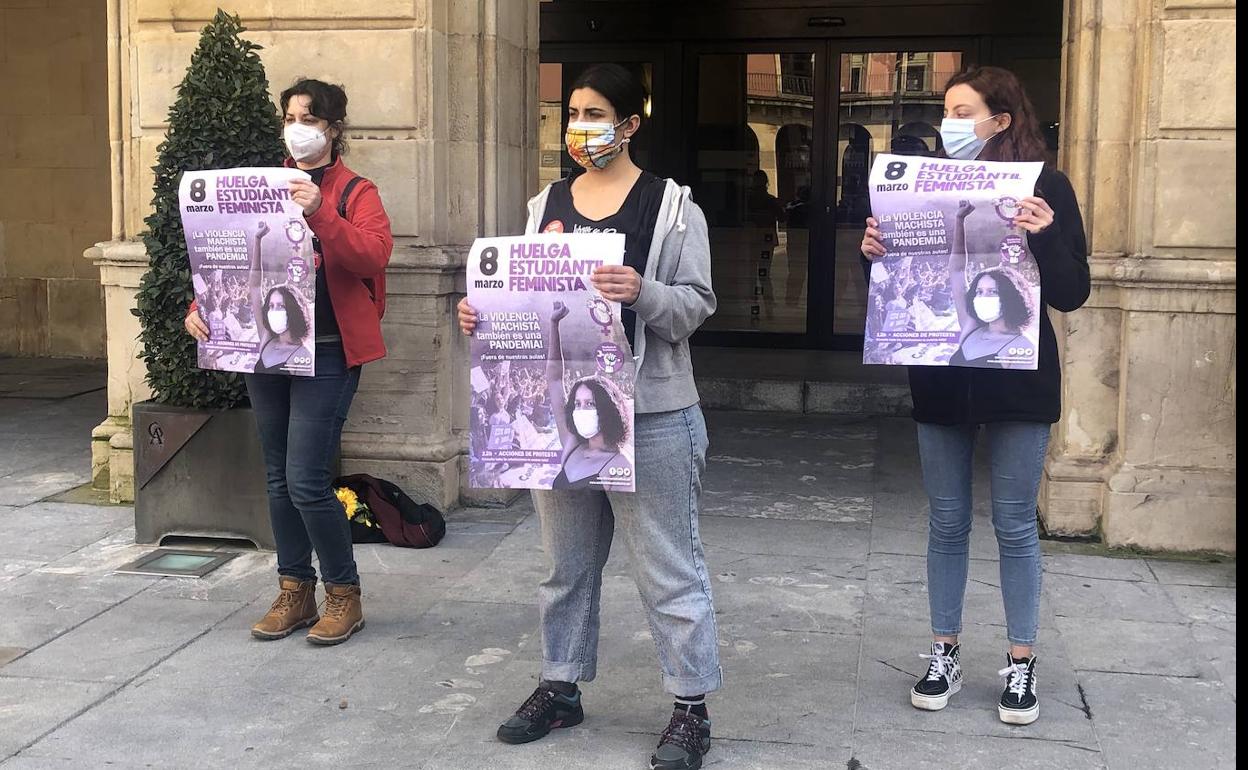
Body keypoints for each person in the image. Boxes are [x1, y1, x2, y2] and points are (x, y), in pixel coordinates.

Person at [457, 63, 720, 770]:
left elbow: (695, 307)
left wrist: (643, 292)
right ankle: (560, 686)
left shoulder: (672, 208)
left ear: (631, 124)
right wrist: (483, 315)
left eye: (596, 113)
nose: (580, 126)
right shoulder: (546, 199)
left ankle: (690, 707)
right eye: (573, 112)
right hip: (556, 416)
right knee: (564, 566)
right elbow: (526, 298)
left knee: (668, 568)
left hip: (655, 415)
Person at [860, 66, 1089, 726]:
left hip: (1018, 375)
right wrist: (874, 250)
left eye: (964, 111)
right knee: (946, 519)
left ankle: (1021, 661)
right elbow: (895, 276)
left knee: (1015, 523)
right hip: (940, 373)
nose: (950, 124)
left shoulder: (1048, 186)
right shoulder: (926, 182)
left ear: (1002, 119)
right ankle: (944, 651)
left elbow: (1074, 291)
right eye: (946, 111)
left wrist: (1044, 238)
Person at [185, 78, 393, 645]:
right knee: (277, 477)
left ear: (333, 127)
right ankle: (295, 590)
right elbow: (225, 251)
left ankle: (343, 595)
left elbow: (372, 256)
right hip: (266, 348)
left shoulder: (356, 192)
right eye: (290, 115)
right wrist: (200, 306)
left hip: (328, 353)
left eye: (309, 117)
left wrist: (321, 210)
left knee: (305, 479)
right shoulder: (262, 186)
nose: (297, 126)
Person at [543, 301, 633, 490]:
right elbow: (554, 379)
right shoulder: (572, 442)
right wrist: (554, 324)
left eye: (590, 404)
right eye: (577, 403)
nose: (582, 410)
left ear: (607, 408)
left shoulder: (620, 465)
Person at [945, 201, 1038, 368]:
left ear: (1009, 296)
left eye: (992, 292)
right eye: (979, 292)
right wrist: (959, 220)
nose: (982, 297)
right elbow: (957, 270)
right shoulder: (971, 326)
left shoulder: (1023, 346)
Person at [253, 285, 314, 374]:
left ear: (293, 310)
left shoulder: (304, 354)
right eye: (271, 306)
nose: (274, 311)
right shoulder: (267, 339)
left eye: (280, 306)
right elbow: (255, 288)